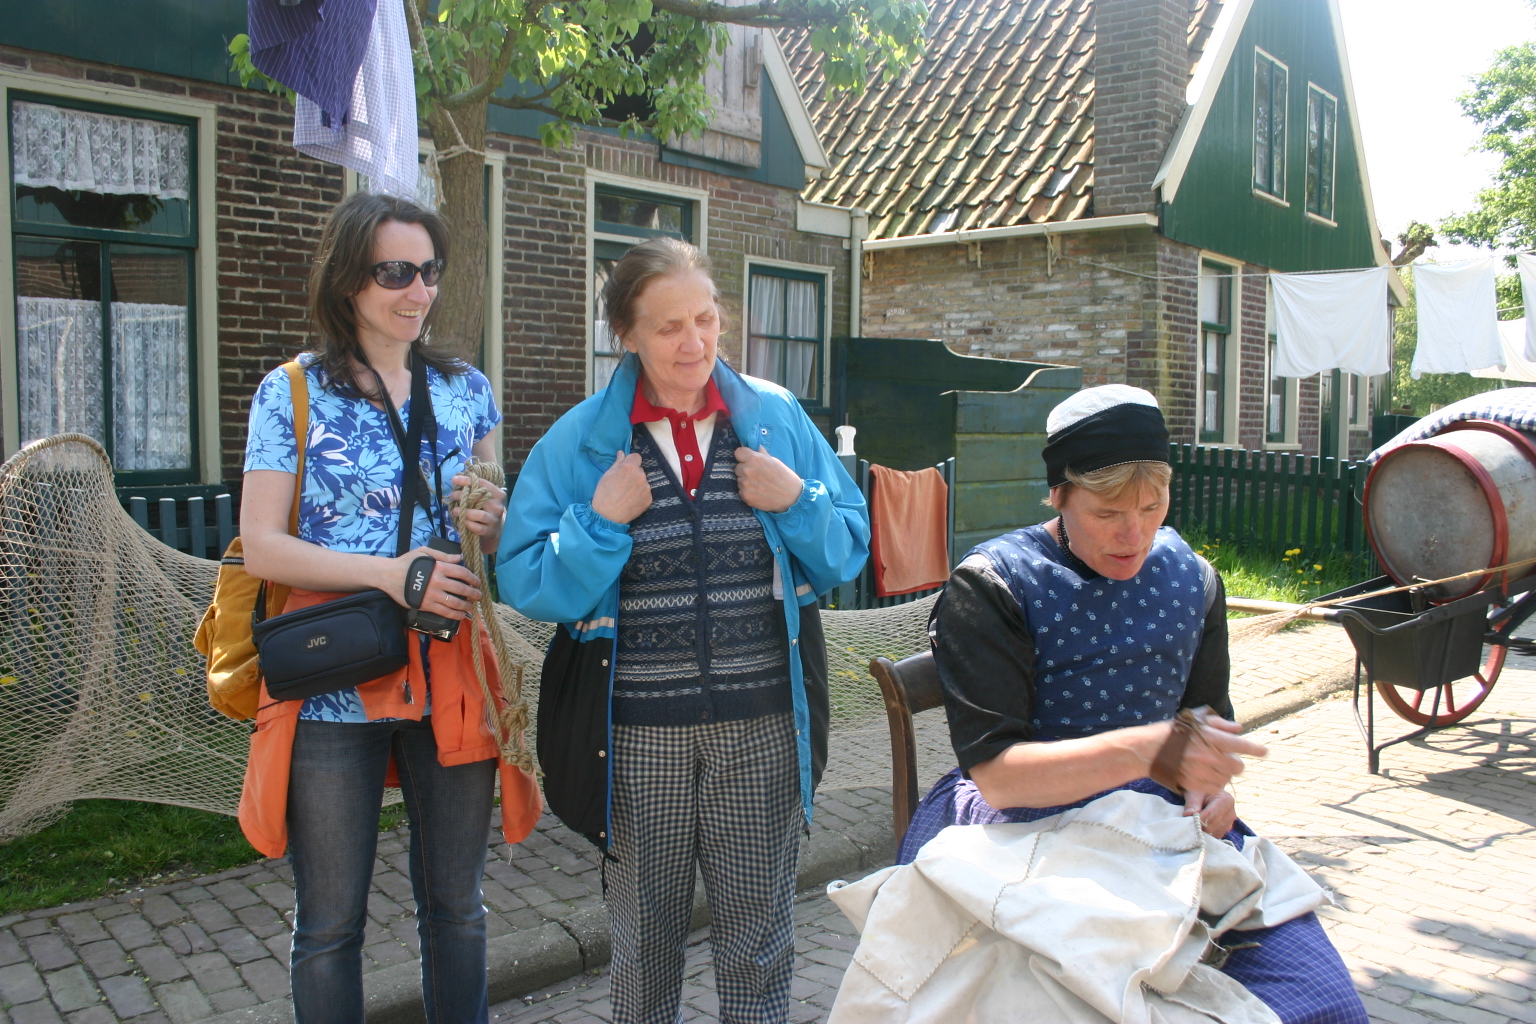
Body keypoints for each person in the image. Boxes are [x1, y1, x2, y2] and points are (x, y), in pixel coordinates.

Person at [898, 384, 1368, 1024]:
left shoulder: (1191, 578)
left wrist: (1212, 789)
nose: (1134, 533)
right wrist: (1147, 751)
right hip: (1020, 832)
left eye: (1152, 507)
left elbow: (1204, 725)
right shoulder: (994, 585)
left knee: (1320, 1002)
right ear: (1059, 494)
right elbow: (1000, 779)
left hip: (1160, 826)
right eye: (1107, 512)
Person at [497, 237, 869, 1024]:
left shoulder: (776, 419)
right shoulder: (580, 441)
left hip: (763, 729)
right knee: (643, 948)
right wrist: (600, 522)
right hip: (638, 739)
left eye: (706, 319)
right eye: (668, 326)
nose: (694, 342)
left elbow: (846, 549)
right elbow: (525, 581)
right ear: (626, 334)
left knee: (758, 945)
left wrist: (797, 499)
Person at [239, 191, 539, 1024]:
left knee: (458, 908)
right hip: (335, 682)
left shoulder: (466, 388)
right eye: (396, 272)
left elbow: (494, 524)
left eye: (429, 271)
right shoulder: (292, 391)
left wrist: (493, 518)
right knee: (330, 924)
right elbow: (261, 545)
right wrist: (389, 574)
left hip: (450, 673)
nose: (419, 291)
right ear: (348, 280)